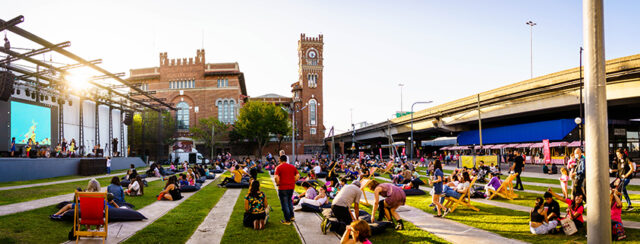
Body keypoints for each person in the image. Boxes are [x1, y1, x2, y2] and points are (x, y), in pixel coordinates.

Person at [274, 155, 299, 225]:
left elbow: (276, 177)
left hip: (283, 188)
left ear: (280, 160)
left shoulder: (278, 167)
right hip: (291, 187)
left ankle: (287, 220)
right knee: (289, 201)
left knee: (284, 204)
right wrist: (293, 181)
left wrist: (278, 183)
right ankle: (292, 216)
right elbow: (298, 176)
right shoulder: (292, 166)